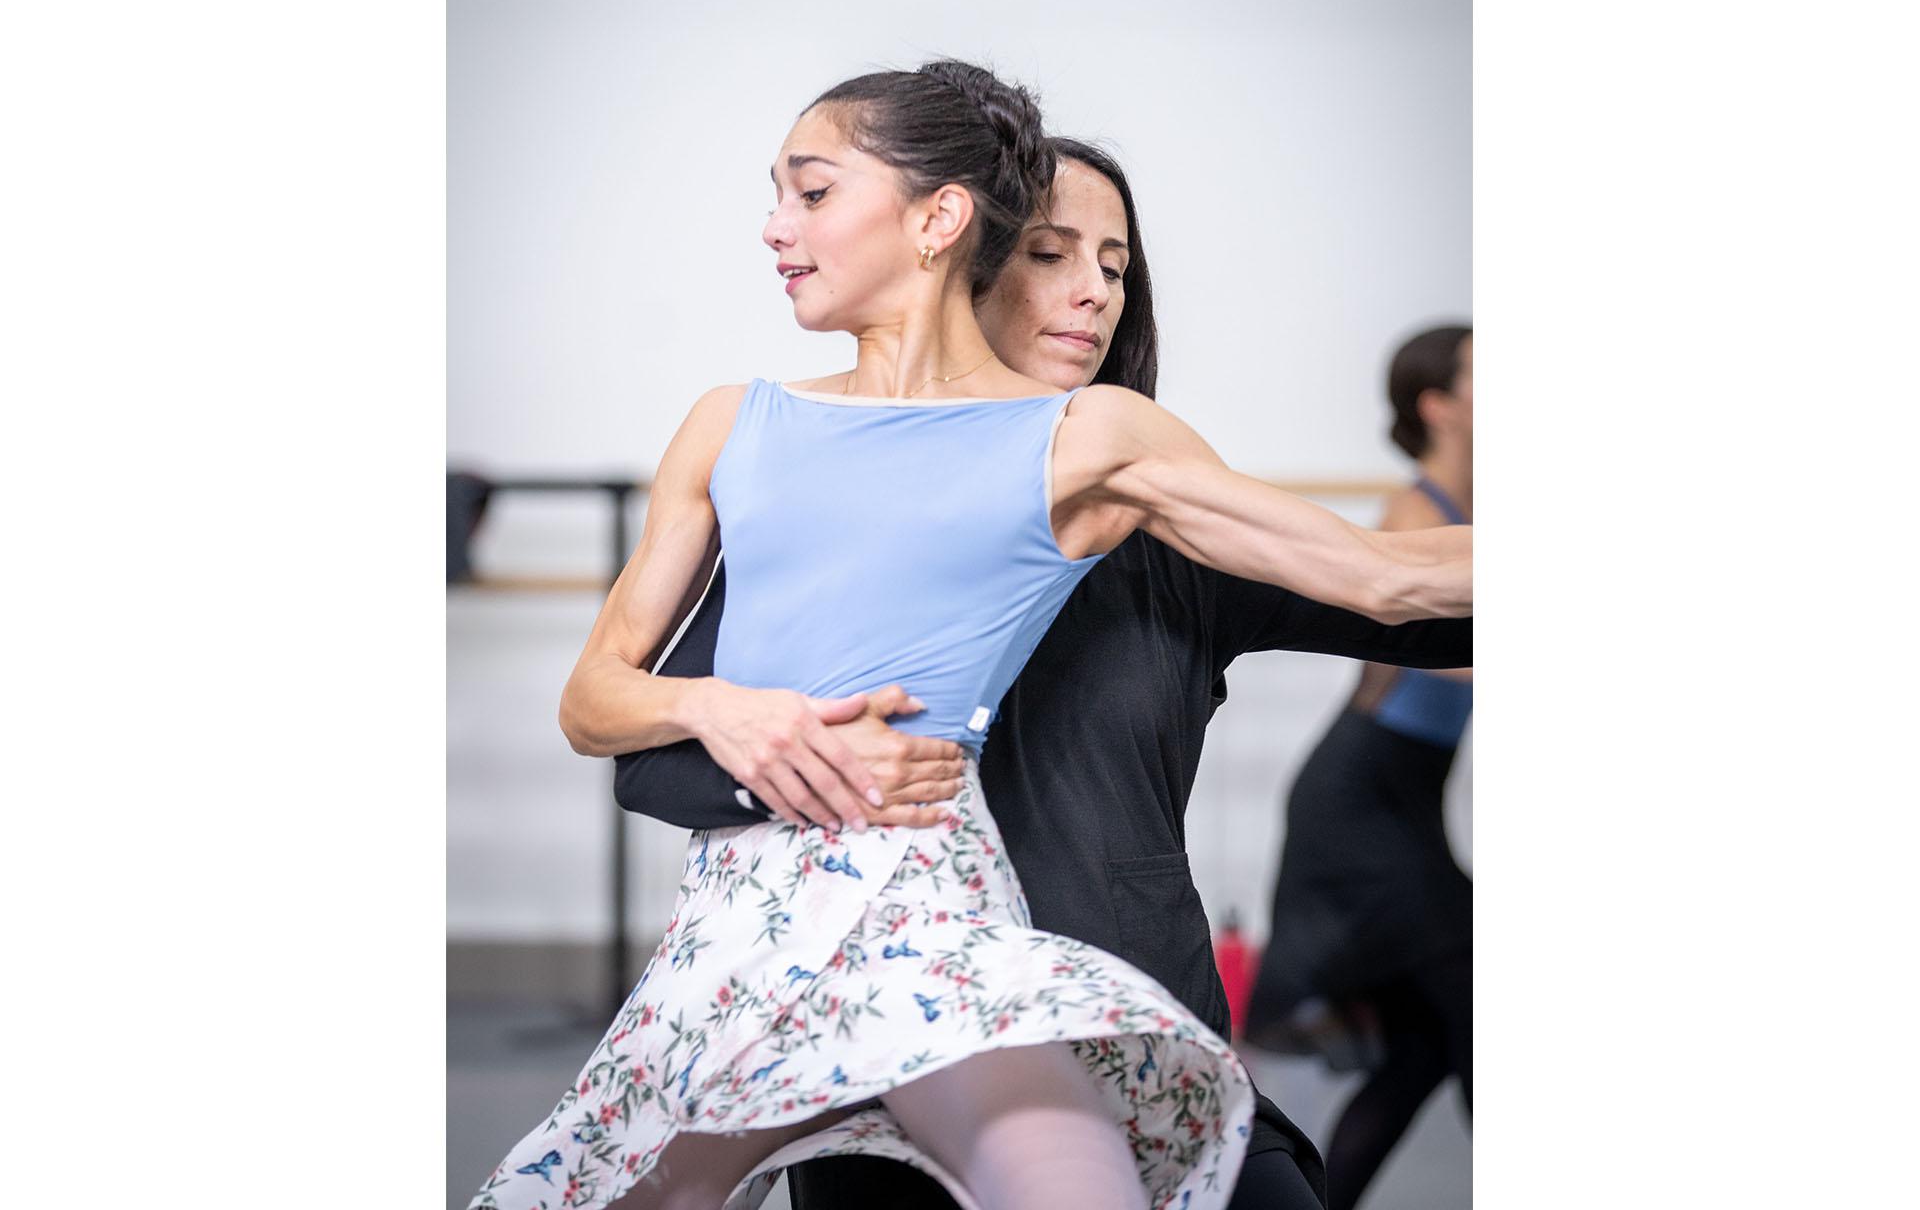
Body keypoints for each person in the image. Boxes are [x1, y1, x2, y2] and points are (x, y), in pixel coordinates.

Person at [471, 62, 1470, 1210]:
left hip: (932, 922)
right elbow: (599, 700)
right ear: (981, 240)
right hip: (738, 933)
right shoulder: (734, 424)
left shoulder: (1094, 450)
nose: (1091, 291)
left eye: (809, 194)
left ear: (935, 221)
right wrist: (732, 711)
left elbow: (1388, 578)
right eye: (1051, 251)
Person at [1244, 325, 1474, 1210]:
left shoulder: (1476, 511)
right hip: (1359, 806)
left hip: (1407, 805)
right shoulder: (1417, 515)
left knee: (1421, 1047)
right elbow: (1433, 652)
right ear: (1439, 407)